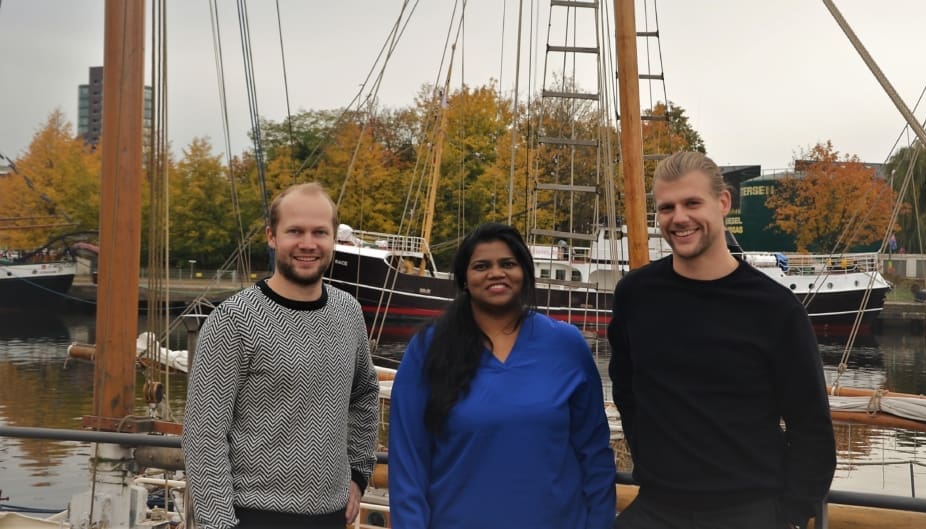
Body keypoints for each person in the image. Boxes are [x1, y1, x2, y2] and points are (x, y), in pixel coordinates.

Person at [608, 152, 836, 529]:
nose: (679, 218)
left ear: (724, 202)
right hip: (657, 507)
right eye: (667, 207)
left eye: (692, 203)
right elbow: (627, 391)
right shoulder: (635, 294)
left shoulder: (775, 309)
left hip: (749, 511)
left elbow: (811, 425)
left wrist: (791, 514)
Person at [389, 222, 615, 529]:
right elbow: (408, 461)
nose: (496, 273)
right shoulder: (428, 349)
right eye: (482, 265)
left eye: (508, 263)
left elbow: (595, 453)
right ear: (465, 279)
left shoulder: (567, 345)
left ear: (524, 272)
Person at [182, 182, 380, 529]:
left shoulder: (348, 312)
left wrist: (359, 474)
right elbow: (204, 434)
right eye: (295, 231)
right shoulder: (233, 320)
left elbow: (363, 395)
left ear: (334, 238)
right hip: (252, 516)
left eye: (320, 231)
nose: (308, 243)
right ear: (272, 237)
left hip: (331, 516)